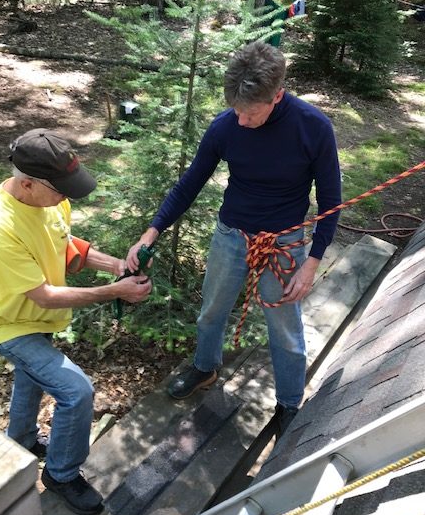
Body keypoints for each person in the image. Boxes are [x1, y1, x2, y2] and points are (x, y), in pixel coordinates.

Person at [127, 41, 341, 436]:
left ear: (277, 96)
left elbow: (331, 202)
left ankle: (290, 403)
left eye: (251, 112)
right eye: (236, 110)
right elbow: (189, 184)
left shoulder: (313, 128)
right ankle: (205, 367)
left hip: (284, 242)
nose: (241, 120)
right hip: (231, 235)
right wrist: (151, 230)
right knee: (212, 311)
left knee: (285, 328)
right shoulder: (226, 126)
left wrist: (312, 262)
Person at [0, 128, 152, 515]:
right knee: (76, 391)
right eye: (60, 189)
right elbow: (44, 295)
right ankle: (61, 474)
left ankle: (19, 439)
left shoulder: (49, 201)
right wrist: (114, 292)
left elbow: (65, 246)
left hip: (37, 319)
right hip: (8, 325)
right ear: (27, 183)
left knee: (30, 376)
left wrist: (116, 266)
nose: (66, 198)